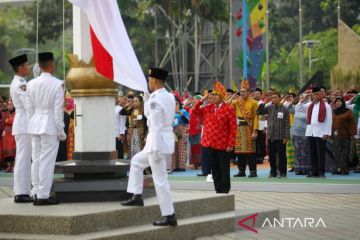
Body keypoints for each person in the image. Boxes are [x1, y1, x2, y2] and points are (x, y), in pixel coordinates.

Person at [121, 67, 177, 227]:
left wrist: (156, 149)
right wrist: (147, 96)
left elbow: (156, 125)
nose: (148, 82)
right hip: (161, 140)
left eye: (149, 80)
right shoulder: (169, 96)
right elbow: (151, 114)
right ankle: (137, 195)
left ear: (154, 80)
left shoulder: (155, 100)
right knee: (137, 162)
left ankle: (169, 215)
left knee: (160, 180)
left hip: (156, 142)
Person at [27, 52, 66, 205]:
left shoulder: (31, 83)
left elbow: (29, 109)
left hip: (35, 123)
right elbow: (58, 112)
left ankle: (36, 191)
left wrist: (31, 124)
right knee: (46, 161)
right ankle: (43, 195)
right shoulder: (57, 84)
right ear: (50, 64)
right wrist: (61, 130)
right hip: (49, 124)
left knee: (35, 159)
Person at [192, 81, 237, 193]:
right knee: (214, 169)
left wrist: (231, 144)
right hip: (209, 143)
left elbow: (233, 128)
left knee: (224, 168)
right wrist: (203, 99)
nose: (213, 96)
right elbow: (194, 111)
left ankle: (225, 190)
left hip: (223, 144)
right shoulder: (208, 107)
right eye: (212, 95)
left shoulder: (229, 109)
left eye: (216, 95)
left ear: (222, 96)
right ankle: (218, 190)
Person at [8, 54, 33, 203]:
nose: (28, 67)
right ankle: (21, 192)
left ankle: (22, 190)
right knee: (23, 159)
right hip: (24, 123)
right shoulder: (20, 84)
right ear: (20, 67)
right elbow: (28, 104)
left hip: (23, 123)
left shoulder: (21, 82)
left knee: (23, 158)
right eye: (27, 65)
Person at [296, 87, 332, 178]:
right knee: (312, 153)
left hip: (321, 132)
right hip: (310, 132)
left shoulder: (326, 106)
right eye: (314, 94)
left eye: (318, 94)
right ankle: (314, 171)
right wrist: (304, 98)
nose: (316, 96)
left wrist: (327, 133)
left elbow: (329, 120)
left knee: (321, 153)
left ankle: (321, 172)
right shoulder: (309, 105)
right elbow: (298, 108)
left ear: (321, 94)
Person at [257, 92, 290, 178]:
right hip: (271, 136)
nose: (273, 99)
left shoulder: (285, 109)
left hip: (280, 136)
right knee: (271, 156)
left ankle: (283, 172)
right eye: (272, 98)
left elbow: (287, 124)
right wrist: (265, 102)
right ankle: (273, 172)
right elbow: (259, 112)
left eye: (275, 97)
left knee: (281, 155)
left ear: (280, 98)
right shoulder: (269, 107)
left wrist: (286, 136)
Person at [231, 80, 259, 178]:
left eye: (244, 91)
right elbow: (227, 106)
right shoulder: (237, 102)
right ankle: (241, 171)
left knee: (250, 152)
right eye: (241, 91)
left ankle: (253, 171)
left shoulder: (254, 103)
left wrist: (255, 130)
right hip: (239, 128)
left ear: (248, 92)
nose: (242, 93)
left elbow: (256, 117)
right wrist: (232, 97)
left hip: (249, 128)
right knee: (239, 151)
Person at [332, 97, 357, 175]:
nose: (338, 103)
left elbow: (352, 123)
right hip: (336, 135)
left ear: (343, 102)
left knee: (344, 153)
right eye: (336, 101)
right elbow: (332, 123)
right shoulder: (334, 111)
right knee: (336, 152)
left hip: (345, 135)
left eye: (340, 101)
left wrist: (352, 134)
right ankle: (336, 170)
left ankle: (344, 170)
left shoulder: (348, 111)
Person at [172, 96, 190, 171]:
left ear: (179, 103)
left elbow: (187, 121)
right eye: (173, 103)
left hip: (181, 131)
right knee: (173, 149)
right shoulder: (170, 112)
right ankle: (174, 166)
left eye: (177, 103)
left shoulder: (183, 111)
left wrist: (180, 113)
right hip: (172, 131)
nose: (175, 105)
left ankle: (181, 166)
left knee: (181, 148)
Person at [2, 101, 16, 173]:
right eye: (8, 105)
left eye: (11, 104)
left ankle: (13, 166)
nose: (9, 106)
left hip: (13, 133)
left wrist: (8, 121)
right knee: (6, 151)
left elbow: (12, 121)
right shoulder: (6, 113)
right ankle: (8, 166)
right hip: (6, 134)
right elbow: (5, 122)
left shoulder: (16, 113)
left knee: (13, 151)